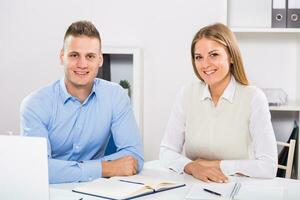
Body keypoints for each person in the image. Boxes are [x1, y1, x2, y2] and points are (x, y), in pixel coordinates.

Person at [20, 21, 144, 184]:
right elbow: (37, 169)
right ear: (62, 56)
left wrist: (63, 169)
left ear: (100, 60)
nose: (82, 64)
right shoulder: (35, 105)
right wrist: (105, 168)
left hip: (99, 190)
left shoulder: (116, 96)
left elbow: (134, 158)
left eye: (90, 56)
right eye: (74, 55)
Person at [159, 23, 277, 183]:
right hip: (193, 186)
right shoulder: (186, 94)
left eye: (213, 55)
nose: (205, 64)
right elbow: (166, 151)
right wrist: (194, 167)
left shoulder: (254, 97)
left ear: (232, 57)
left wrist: (213, 165)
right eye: (198, 57)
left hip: (237, 187)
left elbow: (268, 167)